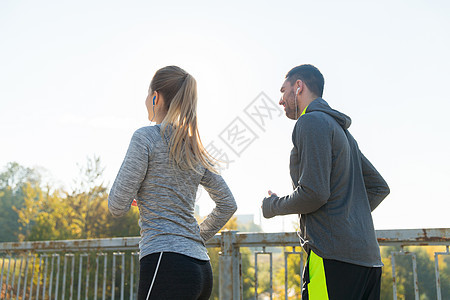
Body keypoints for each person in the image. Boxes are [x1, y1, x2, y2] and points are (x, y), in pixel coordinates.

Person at [108, 66, 237, 300]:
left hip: (165, 264)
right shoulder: (193, 147)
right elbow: (227, 204)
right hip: (201, 268)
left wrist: (135, 190)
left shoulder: (145, 137)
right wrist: (194, 237)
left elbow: (117, 205)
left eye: (148, 94)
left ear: (155, 96)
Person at [262, 64, 390, 299]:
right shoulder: (342, 133)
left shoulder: (310, 122)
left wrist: (272, 206)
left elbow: (313, 193)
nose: (280, 100)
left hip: (333, 260)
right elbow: (378, 187)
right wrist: (344, 219)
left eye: (283, 91)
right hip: (368, 262)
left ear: (298, 87)